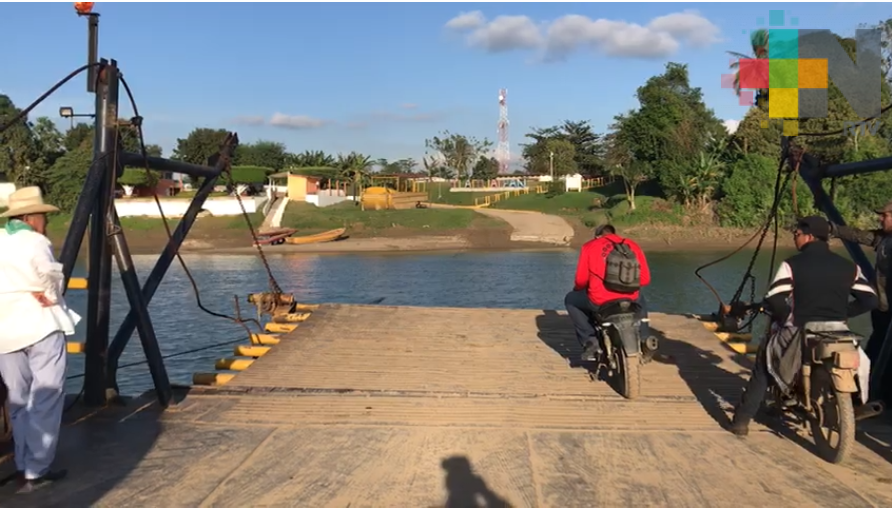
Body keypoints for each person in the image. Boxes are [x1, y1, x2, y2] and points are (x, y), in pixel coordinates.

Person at [729, 216, 878, 436]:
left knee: (764, 364)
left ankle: (741, 422)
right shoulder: (848, 266)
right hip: (837, 331)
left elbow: (775, 299)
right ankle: (854, 403)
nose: (795, 238)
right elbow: (870, 300)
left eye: (796, 234)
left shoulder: (792, 265)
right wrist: (843, 314)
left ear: (809, 236)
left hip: (800, 329)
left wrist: (785, 318)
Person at [0, 187, 80, 493]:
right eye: (44, 217)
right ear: (33, 218)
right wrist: (49, 293)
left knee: (18, 398)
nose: (46, 223)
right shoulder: (35, 241)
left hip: (4, 328)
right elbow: (51, 278)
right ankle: (37, 468)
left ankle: (22, 464)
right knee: (46, 394)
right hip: (39, 324)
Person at [828, 201, 892, 397]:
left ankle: (880, 394)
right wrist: (834, 229)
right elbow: (858, 235)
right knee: (875, 350)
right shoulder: (883, 238)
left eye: (885, 215)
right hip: (882, 308)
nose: (880, 218)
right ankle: (868, 391)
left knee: (886, 357)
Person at [564, 224, 652, 362]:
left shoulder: (589, 246)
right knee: (640, 298)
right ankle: (645, 338)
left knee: (571, 300)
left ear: (598, 236)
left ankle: (590, 342)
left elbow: (581, 281)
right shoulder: (632, 245)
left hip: (599, 300)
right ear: (614, 233)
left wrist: (578, 289)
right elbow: (645, 279)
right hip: (630, 299)